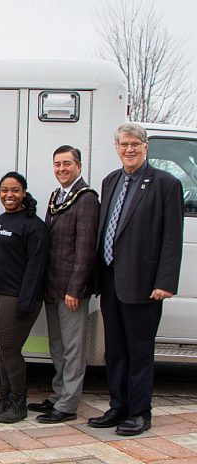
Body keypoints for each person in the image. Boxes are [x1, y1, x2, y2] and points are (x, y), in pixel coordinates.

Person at [88, 123, 184, 436]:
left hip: (143, 283)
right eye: (124, 144)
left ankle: (140, 413)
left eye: (135, 144)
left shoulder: (165, 184)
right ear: (117, 147)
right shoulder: (110, 181)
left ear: (145, 147)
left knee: (139, 351)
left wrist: (165, 281)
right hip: (110, 279)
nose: (129, 149)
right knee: (114, 349)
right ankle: (118, 407)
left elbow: (172, 237)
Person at [28, 146, 99, 423]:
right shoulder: (57, 196)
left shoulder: (86, 198)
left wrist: (75, 288)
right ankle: (59, 394)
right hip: (52, 285)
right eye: (57, 164)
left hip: (70, 290)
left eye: (67, 164)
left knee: (73, 349)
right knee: (57, 346)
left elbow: (85, 249)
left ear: (78, 166)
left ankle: (68, 405)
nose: (61, 169)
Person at [0, 172, 48, 423]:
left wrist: (26, 300)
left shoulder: (33, 225)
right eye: (4, 190)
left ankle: (19, 402)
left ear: (23, 193)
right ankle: (5, 398)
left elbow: (36, 267)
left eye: (15, 190)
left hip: (16, 296)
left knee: (10, 350)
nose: (9, 195)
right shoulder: (0, 219)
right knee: (2, 350)